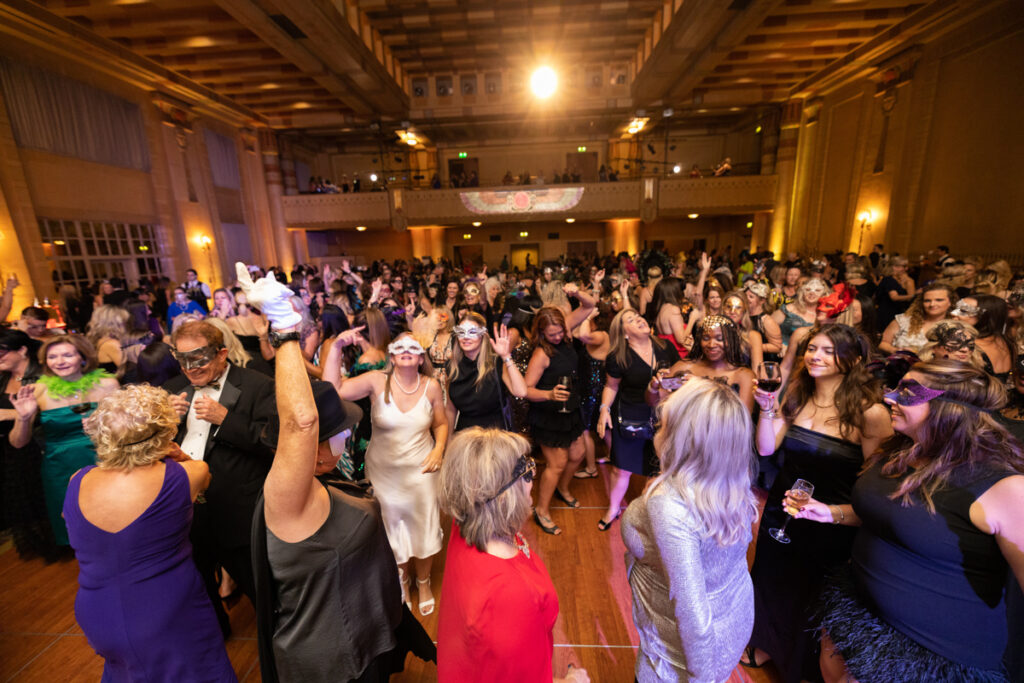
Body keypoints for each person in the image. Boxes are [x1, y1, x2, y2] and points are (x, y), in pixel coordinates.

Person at [240, 262, 434, 682]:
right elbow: (300, 423)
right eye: (343, 430)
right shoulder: (292, 498)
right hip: (331, 661)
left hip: (363, 639)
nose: (351, 432)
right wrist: (286, 331)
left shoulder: (327, 477)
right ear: (313, 451)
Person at [789, 361, 1024, 683]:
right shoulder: (902, 450)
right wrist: (831, 513)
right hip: (858, 609)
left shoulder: (1004, 486)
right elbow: (896, 517)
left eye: (907, 392)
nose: (889, 397)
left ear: (948, 409)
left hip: (931, 653)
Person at [746, 323, 892, 681]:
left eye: (828, 350)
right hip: (785, 506)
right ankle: (767, 645)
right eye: (812, 348)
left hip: (831, 520)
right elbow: (766, 447)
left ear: (853, 359)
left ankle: (800, 661)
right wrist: (767, 406)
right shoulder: (798, 392)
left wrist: (839, 517)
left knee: (812, 588)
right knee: (772, 575)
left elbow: (876, 486)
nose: (815, 356)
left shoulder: (870, 413)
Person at [67, 384, 236, 681]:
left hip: (96, 613)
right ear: (165, 435)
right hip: (166, 608)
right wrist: (176, 454)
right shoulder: (186, 475)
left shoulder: (76, 480)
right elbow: (204, 476)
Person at [622, 378, 756, 683]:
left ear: (683, 437)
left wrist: (703, 678)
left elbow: (693, 613)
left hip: (682, 654)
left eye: (665, 424)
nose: (658, 428)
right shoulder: (729, 472)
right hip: (733, 619)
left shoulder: (670, 503)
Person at [437, 427, 590, 683]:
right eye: (527, 470)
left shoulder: (464, 521)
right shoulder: (509, 594)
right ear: (504, 497)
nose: (534, 476)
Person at [162, 320, 277, 638]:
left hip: (237, 508)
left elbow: (272, 441)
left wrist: (227, 420)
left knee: (259, 587)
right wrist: (163, 424)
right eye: (182, 359)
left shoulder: (257, 384)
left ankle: (276, 646)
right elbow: (153, 451)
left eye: (198, 358)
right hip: (185, 510)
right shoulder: (172, 389)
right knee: (198, 583)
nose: (190, 368)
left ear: (222, 353)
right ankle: (216, 635)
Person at [333, 331, 449, 617]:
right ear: (392, 355)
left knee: (423, 527)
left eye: (413, 346)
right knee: (391, 528)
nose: (406, 351)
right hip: (383, 474)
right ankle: (402, 580)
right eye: (400, 346)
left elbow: (442, 424)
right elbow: (334, 389)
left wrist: (438, 451)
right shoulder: (376, 382)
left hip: (421, 471)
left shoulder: (431, 386)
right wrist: (336, 347)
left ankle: (423, 582)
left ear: (421, 356)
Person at [9, 335, 118, 549]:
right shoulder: (38, 391)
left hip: (104, 461)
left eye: (67, 355)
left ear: (83, 357)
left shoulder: (108, 385)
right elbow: (18, 443)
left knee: (115, 521)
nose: (60, 361)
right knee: (78, 532)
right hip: (60, 470)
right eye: (53, 357)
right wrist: (22, 418)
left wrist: (104, 429)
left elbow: (128, 428)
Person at [596, 309, 680, 531]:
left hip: (662, 416)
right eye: (630, 320)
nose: (639, 320)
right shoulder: (618, 356)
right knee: (621, 469)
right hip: (630, 415)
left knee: (658, 468)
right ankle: (613, 508)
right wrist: (604, 409)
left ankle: (650, 513)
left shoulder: (665, 347)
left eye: (638, 316)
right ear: (624, 333)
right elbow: (611, 386)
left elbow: (680, 376)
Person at [524, 303, 594, 536]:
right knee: (557, 463)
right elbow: (525, 389)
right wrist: (549, 394)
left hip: (570, 409)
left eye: (560, 332)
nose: (557, 337)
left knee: (578, 454)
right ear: (541, 332)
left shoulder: (566, 338)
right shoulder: (541, 354)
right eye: (551, 334)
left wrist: (575, 293)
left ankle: (562, 489)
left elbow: (589, 306)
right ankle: (541, 510)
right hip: (549, 416)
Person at [0, 330, 55, 561]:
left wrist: (8, 414)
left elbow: (51, 413)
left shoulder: (44, 377)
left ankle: (54, 543)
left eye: (2, 352)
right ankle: (35, 541)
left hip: (38, 446)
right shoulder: (3, 377)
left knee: (41, 496)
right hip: (9, 448)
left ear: (22, 351)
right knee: (20, 496)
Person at [445, 313, 527, 431]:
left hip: (494, 434)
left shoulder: (496, 363)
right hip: (465, 434)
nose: (466, 337)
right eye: (461, 332)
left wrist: (506, 356)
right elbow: (450, 409)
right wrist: (448, 444)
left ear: (482, 335)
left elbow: (521, 392)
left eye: (472, 332)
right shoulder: (452, 366)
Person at [879, 283, 955, 354]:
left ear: (950, 302)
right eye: (927, 301)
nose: (932, 304)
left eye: (939, 300)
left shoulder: (956, 325)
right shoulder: (903, 320)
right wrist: (896, 351)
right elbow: (882, 343)